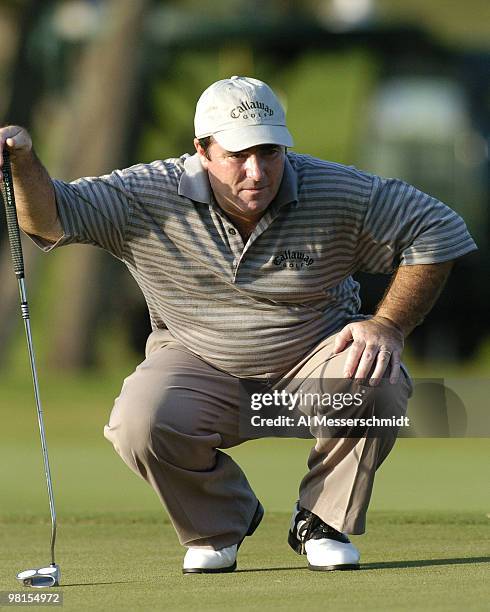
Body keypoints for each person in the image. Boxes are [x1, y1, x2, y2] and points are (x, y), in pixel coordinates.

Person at [0, 76, 477, 574]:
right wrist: (24, 161)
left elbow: (439, 227)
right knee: (139, 421)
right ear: (202, 151)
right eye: (237, 155)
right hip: (196, 361)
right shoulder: (143, 193)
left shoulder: (336, 189)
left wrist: (388, 325)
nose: (257, 171)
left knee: (378, 379)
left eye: (270, 152)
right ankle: (221, 520)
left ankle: (322, 520)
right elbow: (49, 220)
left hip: (314, 360)